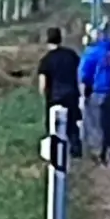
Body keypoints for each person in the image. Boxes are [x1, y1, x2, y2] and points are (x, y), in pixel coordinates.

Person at [79, 22, 110, 166]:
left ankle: (99, 153)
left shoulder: (92, 53)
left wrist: (86, 89)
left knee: (96, 123)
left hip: (98, 91)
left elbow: (84, 74)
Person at [37, 27, 83, 157]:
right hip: (72, 94)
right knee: (72, 124)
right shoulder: (71, 55)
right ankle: (76, 150)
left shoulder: (46, 60)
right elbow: (80, 72)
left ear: (47, 40)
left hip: (55, 97)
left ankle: (56, 153)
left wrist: (44, 95)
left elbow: (43, 84)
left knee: (53, 126)